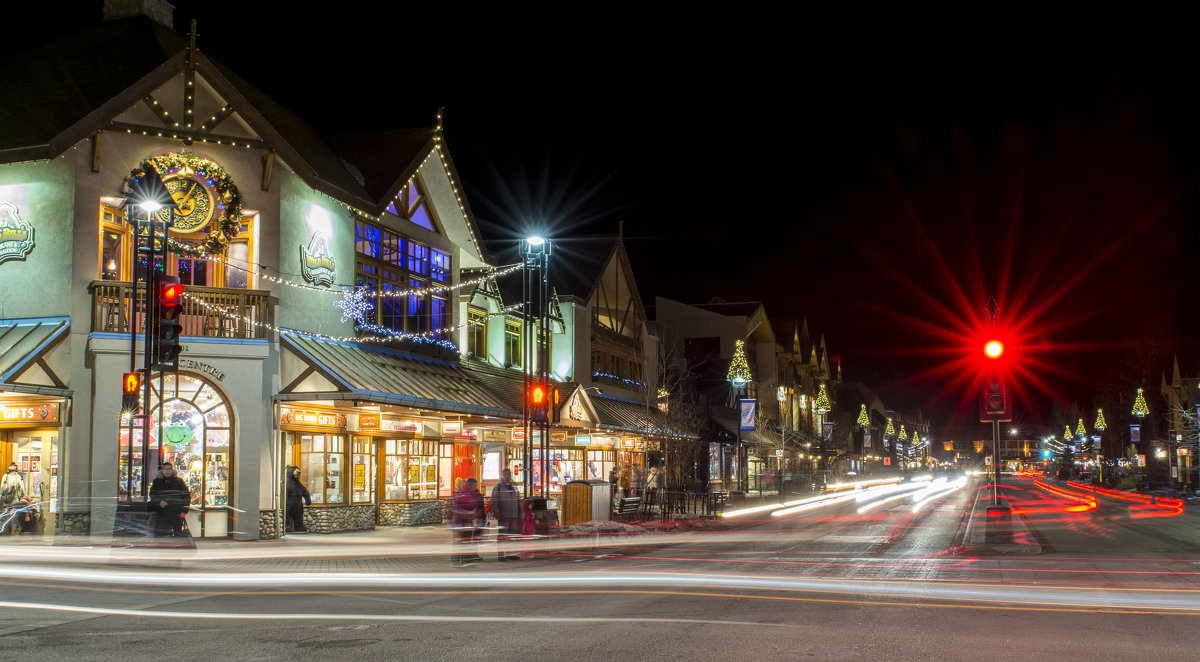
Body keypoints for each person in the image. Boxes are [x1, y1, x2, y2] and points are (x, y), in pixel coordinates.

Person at [150, 462, 191, 537]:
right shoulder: (157, 482)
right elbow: (152, 495)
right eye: (165, 469)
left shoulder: (179, 482)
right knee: (161, 535)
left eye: (169, 469)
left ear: (172, 470)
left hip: (176, 513)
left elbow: (186, 496)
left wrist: (184, 511)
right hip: (162, 513)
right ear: (162, 470)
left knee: (177, 535)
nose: (167, 471)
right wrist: (159, 502)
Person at [450, 477, 484, 566]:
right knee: (464, 540)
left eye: (476, 485)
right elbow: (460, 508)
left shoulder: (472, 494)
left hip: (469, 521)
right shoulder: (465, 495)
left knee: (468, 540)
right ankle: (461, 558)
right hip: (463, 522)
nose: (475, 487)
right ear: (470, 485)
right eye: (474, 485)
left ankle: (466, 557)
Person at [490, 468, 522, 561]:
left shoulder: (514, 486)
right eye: (506, 474)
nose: (508, 476)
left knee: (512, 536)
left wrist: (520, 512)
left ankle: (510, 553)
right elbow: (494, 502)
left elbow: (518, 500)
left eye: (509, 474)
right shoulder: (498, 487)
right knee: (502, 536)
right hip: (504, 516)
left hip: (514, 515)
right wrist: (498, 514)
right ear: (502, 475)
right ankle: (501, 555)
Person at [1, 463, 27, 536]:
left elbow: (2, 489)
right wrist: (23, 496)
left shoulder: (5, 476)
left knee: (6, 515)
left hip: (6, 499)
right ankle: (13, 531)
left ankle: (6, 531)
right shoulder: (18, 477)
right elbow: (21, 488)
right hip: (15, 499)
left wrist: (1, 497)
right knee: (14, 515)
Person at [285, 466, 311, 533]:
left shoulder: (298, 483)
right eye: (296, 472)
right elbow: (285, 494)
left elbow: (305, 492)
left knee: (299, 516)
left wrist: (308, 500)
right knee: (287, 516)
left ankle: (299, 526)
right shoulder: (287, 483)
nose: (298, 474)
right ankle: (287, 526)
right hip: (289, 505)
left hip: (298, 505)